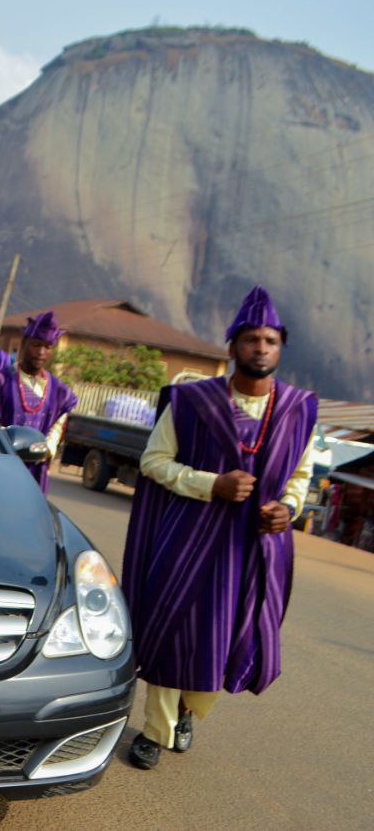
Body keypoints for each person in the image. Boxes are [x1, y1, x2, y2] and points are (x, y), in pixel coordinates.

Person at [122, 286, 316, 770]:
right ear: (232, 347)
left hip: (252, 549)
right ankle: (154, 731)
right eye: (251, 339)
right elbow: (154, 461)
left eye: (270, 340)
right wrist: (212, 485)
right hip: (187, 539)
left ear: (281, 348)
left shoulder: (298, 411)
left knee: (229, 637)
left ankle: (189, 711)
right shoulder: (191, 402)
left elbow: (301, 477)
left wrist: (287, 509)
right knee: (173, 631)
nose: (261, 348)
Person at [0, 311, 78, 492]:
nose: (41, 352)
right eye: (36, 345)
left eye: (47, 347)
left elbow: (59, 422)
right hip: (2, 465)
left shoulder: (59, 391)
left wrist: (47, 448)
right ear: (24, 343)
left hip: (36, 470)